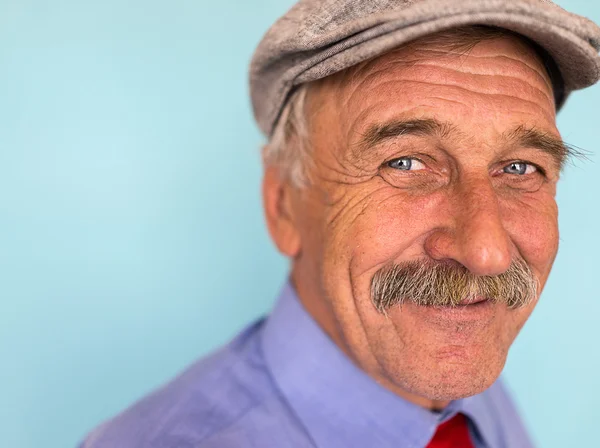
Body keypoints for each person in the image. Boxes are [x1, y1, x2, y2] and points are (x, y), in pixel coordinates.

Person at [79, 1, 600, 447]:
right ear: (283, 205)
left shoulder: (452, 358)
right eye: (406, 163)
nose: (487, 252)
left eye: (520, 168)